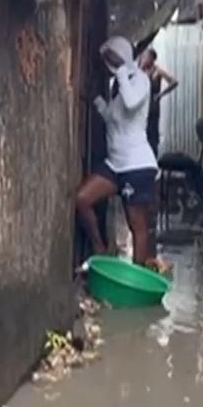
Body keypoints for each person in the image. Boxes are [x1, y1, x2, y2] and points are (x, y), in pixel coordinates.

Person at [75, 37, 159, 266]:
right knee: (82, 199)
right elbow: (113, 118)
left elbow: (131, 104)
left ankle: (136, 280)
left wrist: (121, 69)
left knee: (137, 227)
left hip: (137, 166)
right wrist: (94, 98)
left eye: (109, 60)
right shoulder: (120, 85)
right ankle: (99, 248)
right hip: (115, 164)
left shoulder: (140, 80)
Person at [138, 48, 178, 158]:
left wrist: (161, 94)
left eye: (146, 56)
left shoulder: (157, 71)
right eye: (143, 56)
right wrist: (140, 66)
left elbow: (174, 82)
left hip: (152, 108)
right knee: (141, 136)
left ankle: (153, 161)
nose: (143, 58)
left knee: (153, 137)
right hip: (141, 108)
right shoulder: (140, 70)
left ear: (152, 58)